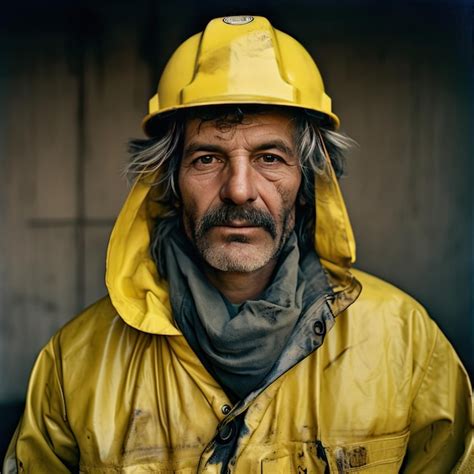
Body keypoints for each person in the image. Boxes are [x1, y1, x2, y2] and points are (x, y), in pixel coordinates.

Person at [4, 15, 472, 474]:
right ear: (168, 182)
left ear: (306, 182)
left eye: (270, 157)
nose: (239, 190)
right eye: (207, 158)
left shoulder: (405, 341)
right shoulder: (75, 363)